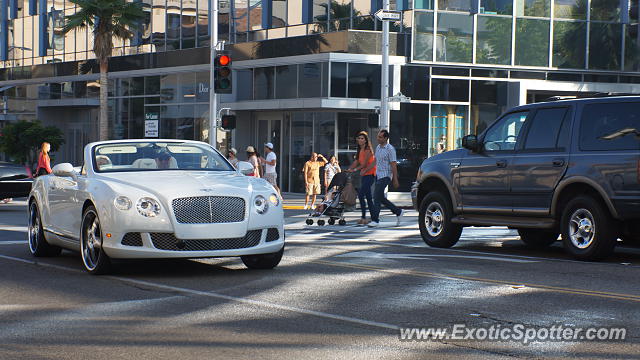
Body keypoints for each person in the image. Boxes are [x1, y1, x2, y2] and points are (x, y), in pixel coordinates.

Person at [369, 129, 403, 227]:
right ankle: (398, 211)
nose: (378, 138)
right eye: (378, 136)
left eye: (380, 137)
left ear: (386, 138)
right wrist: (366, 169)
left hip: (386, 176)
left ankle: (375, 220)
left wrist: (395, 179)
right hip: (378, 175)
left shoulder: (390, 149)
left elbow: (393, 165)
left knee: (376, 196)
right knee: (380, 197)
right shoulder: (378, 148)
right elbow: (375, 161)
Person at [347, 131, 376, 225]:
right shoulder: (360, 149)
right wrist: (349, 168)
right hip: (364, 175)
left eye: (362, 138)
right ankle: (373, 217)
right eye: (358, 138)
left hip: (370, 174)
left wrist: (354, 170)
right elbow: (356, 161)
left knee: (361, 194)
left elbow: (363, 164)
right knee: (368, 197)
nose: (360, 140)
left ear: (366, 140)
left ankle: (364, 218)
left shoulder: (368, 149)